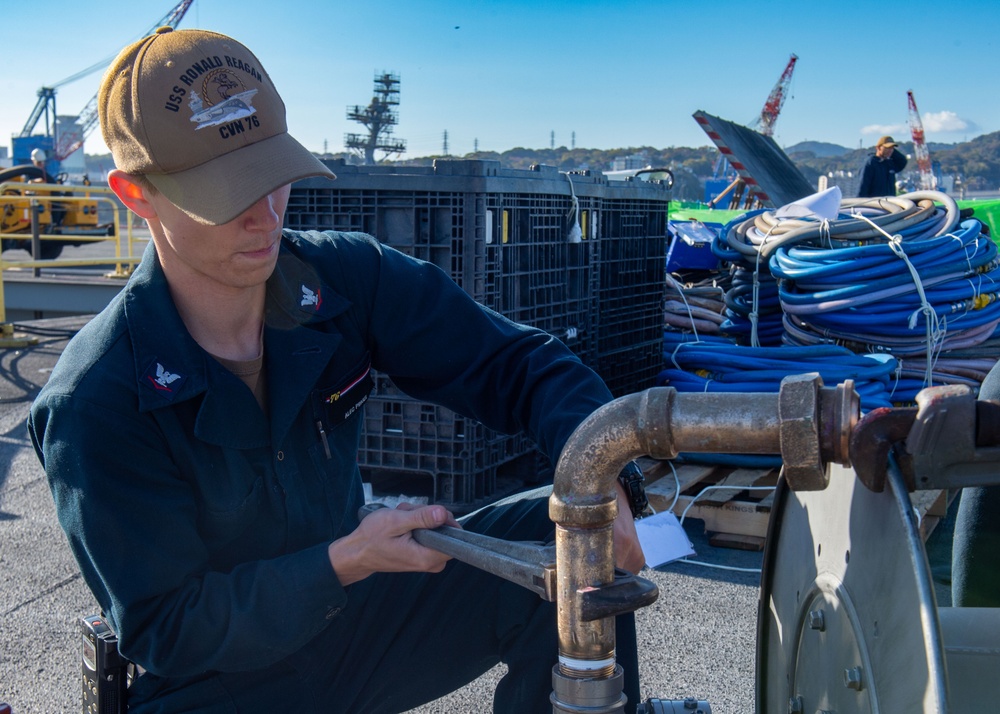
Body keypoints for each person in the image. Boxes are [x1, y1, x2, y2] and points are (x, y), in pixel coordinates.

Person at [28, 27, 646, 713]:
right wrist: (340, 562)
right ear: (135, 195)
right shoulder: (96, 400)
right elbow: (169, 628)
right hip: (217, 680)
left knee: (577, 558)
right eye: (227, 191)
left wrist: (599, 475)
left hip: (352, 610)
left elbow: (515, 361)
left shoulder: (341, 276)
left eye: (271, 175)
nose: (265, 214)